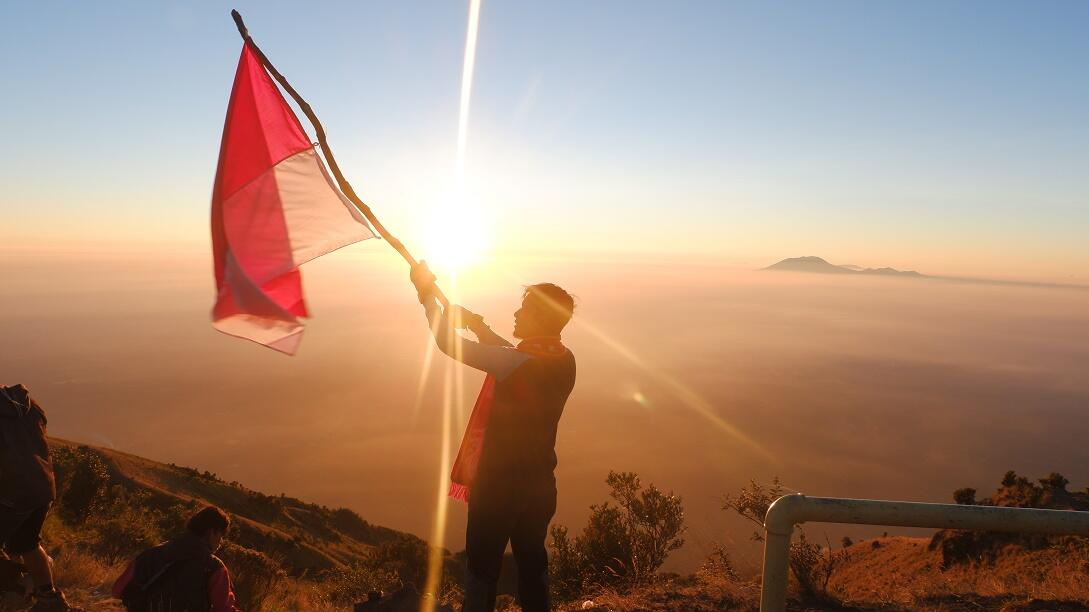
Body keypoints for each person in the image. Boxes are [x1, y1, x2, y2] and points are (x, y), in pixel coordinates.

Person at [410, 262, 577, 612]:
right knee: (533, 566)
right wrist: (477, 325)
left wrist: (425, 293)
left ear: (543, 319)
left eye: (525, 309)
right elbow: (511, 356)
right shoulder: (564, 359)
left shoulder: (516, 363)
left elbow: (447, 343)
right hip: (541, 487)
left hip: (498, 489)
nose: (516, 313)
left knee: (481, 572)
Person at [0, 384, 79, 611]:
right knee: (28, 543)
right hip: (42, 486)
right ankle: (49, 598)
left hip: (12, 492)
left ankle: (16, 587)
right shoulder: (27, 403)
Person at [112, 506, 239, 612]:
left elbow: (117, 591)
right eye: (221, 536)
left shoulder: (151, 554)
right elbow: (223, 608)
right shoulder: (214, 567)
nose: (220, 542)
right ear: (212, 532)